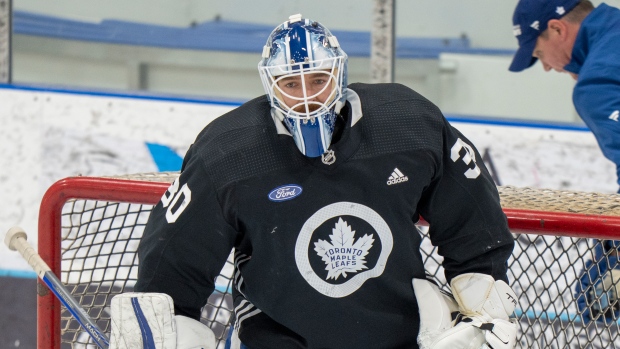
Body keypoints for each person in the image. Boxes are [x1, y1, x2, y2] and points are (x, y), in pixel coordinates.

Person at [132, 14, 518, 349]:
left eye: (317, 80)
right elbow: (172, 264)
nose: (306, 99)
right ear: (270, 84)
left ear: (340, 74)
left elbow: (473, 222)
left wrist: (482, 313)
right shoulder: (226, 155)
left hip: (401, 338)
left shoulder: (410, 126)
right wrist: (166, 328)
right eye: (291, 84)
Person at [508, 0, 620, 324]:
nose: (546, 67)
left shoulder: (598, 85)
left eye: (539, 54)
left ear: (558, 29)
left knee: (595, 299)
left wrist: (607, 261)